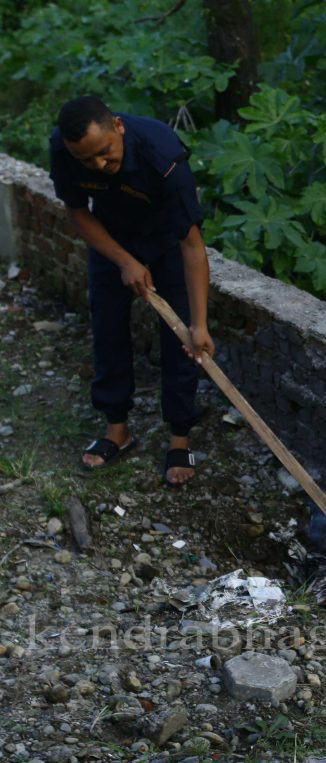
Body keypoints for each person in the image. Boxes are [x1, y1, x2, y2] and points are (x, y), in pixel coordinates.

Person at [49, 96, 215, 485]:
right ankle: (117, 429)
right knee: (107, 327)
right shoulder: (63, 148)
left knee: (181, 339)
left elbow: (193, 245)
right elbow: (77, 212)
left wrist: (200, 324)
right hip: (112, 238)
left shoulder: (163, 156)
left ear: (118, 127)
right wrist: (124, 260)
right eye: (87, 161)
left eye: (105, 154)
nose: (99, 167)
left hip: (167, 242)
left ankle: (178, 436)